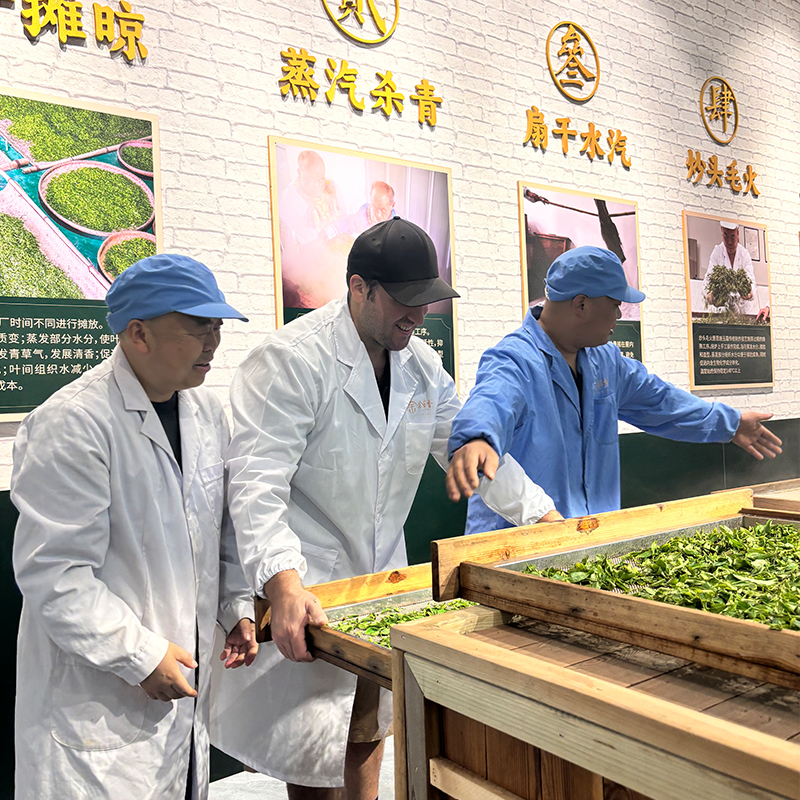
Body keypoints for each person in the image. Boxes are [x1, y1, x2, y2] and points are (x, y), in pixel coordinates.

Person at [209, 218, 559, 798]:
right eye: (404, 300)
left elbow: (469, 454)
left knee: (367, 727)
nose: (418, 315)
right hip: (308, 581)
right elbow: (256, 485)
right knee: (315, 746)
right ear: (359, 288)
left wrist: (543, 519)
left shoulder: (421, 367)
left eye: (427, 300)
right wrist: (283, 585)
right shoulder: (292, 360)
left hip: (380, 582)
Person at [11, 254, 259, 800]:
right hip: (97, 707)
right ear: (138, 333)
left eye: (217, 325)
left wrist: (236, 607)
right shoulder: (72, 423)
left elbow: (218, 530)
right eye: (197, 326)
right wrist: (139, 655)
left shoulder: (206, 413)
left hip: (181, 694)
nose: (213, 342)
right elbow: (55, 576)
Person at [446, 245, 782, 531]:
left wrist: (730, 422)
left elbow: (662, 402)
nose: (619, 314)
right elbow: (492, 399)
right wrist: (477, 438)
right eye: (615, 304)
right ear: (581, 304)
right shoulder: (515, 359)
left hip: (592, 540)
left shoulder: (605, 361)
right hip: (515, 548)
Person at [703, 220, 769, 319]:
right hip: (722, 312)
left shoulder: (744, 254)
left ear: (738, 234)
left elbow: (752, 283)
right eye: (726, 236)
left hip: (742, 312)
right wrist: (710, 296)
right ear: (721, 232)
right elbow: (707, 282)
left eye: (732, 236)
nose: (729, 241)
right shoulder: (717, 252)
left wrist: (750, 293)